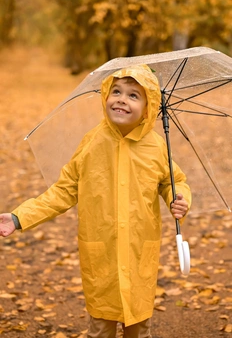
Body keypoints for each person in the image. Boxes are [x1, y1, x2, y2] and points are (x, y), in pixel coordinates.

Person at [0, 64, 191, 338]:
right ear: (106, 96)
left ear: (148, 107)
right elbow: (64, 190)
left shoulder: (156, 146)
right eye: (116, 92)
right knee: (101, 325)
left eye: (133, 95)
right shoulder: (92, 142)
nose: (122, 99)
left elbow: (174, 181)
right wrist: (20, 217)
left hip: (139, 252)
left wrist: (178, 199)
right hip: (102, 253)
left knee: (138, 325)